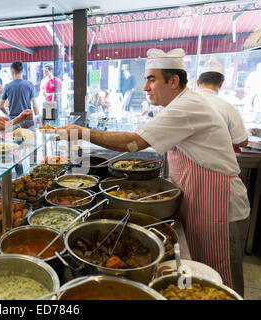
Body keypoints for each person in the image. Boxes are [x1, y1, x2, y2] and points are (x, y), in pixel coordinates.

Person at [56, 48, 250, 296]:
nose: (145, 87)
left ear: (173, 81)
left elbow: (135, 142)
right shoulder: (179, 104)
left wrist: (80, 132)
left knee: (222, 282)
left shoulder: (186, 107)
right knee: (204, 278)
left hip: (221, 207)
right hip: (204, 203)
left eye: (151, 78)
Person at [197, 57, 248, 151]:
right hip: (217, 163)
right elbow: (242, 141)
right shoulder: (228, 108)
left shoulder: (183, 103)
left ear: (197, 82)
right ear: (221, 84)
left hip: (183, 163)